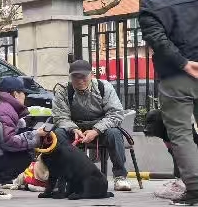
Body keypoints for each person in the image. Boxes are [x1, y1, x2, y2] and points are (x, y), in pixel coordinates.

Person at [138, 0, 198, 206]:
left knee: (181, 134)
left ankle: (195, 188)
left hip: (176, 76)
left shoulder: (150, 3)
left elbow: (158, 40)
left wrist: (184, 63)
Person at [51, 59, 135, 192]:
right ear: (70, 77)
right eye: (75, 77)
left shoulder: (104, 87)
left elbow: (115, 114)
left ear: (91, 75)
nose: (80, 81)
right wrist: (73, 129)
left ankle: (120, 176)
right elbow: (60, 116)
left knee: (114, 133)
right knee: (58, 134)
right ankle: (60, 177)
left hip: (101, 127)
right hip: (74, 128)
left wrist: (96, 130)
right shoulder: (63, 90)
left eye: (83, 76)